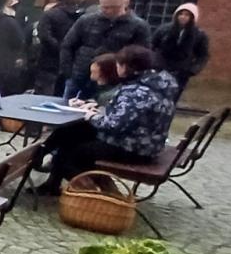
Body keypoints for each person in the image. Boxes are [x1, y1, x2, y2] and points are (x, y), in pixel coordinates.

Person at [34, 45, 179, 195]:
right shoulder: (157, 84)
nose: (117, 67)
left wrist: (92, 116)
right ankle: (44, 162)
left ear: (128, 67)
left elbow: (114, 125)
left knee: (70, 153)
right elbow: (129, 116)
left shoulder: (137, 92)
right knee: (71, 131)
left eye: (119, 64)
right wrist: (99, 110)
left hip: (134, 148)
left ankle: (100, 194)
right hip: (144, 142)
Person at [59, 0, 151, 101]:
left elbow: (141, 56)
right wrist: (68, 73)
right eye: (104, 7)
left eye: (114, 7)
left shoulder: (138, 26)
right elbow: (68, 45)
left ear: (125, 3)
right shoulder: (86, 20)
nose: (108, 10)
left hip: (113, 80)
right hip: (80, 75)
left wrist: (126, 76)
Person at [150, 3, 209, 99]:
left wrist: (192, 70)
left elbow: (203, 55)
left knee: (172, 98)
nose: (183, 17)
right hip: (160, 68)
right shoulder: (164, 29)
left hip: (181, 73)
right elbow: (152, 46)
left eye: (187, 15)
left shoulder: (199, 35)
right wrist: (153, 63)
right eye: (181, 14)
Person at [34, 0, 82, 95]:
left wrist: (59, 47)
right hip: (73, 60)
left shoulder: (49, 15)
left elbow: (44, 35)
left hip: (48, 59)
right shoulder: (81, 16)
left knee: (45, 90)